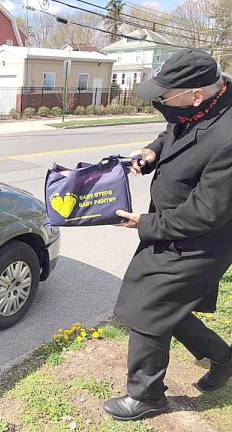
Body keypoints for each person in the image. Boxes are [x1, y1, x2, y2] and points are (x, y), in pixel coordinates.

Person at [104, 49, 232, 421]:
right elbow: (174, 130)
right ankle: (224, 359)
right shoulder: (201, 105)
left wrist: (144, 223)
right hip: (173, 229)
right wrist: (152, 151)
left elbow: (207, 213)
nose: (160, 101)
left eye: (165, 95)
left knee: (147, 308)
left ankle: (146, 396)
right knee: (167, 308)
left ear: (196, 93)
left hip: (200, 241)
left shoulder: (228, 138)